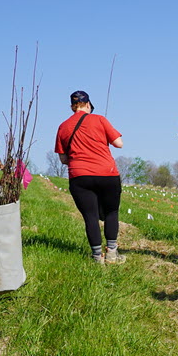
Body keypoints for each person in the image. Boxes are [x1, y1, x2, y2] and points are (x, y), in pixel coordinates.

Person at [54, 90, 125, 264]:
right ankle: (112, 254)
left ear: (72, 107)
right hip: (107, 174)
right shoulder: (99, 119)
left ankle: (96, 257)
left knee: (90, 216)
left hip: (79, 176)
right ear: (88, 104)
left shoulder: (63, 126)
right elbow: (119, 144)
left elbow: (63, 159)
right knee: (111, 212)